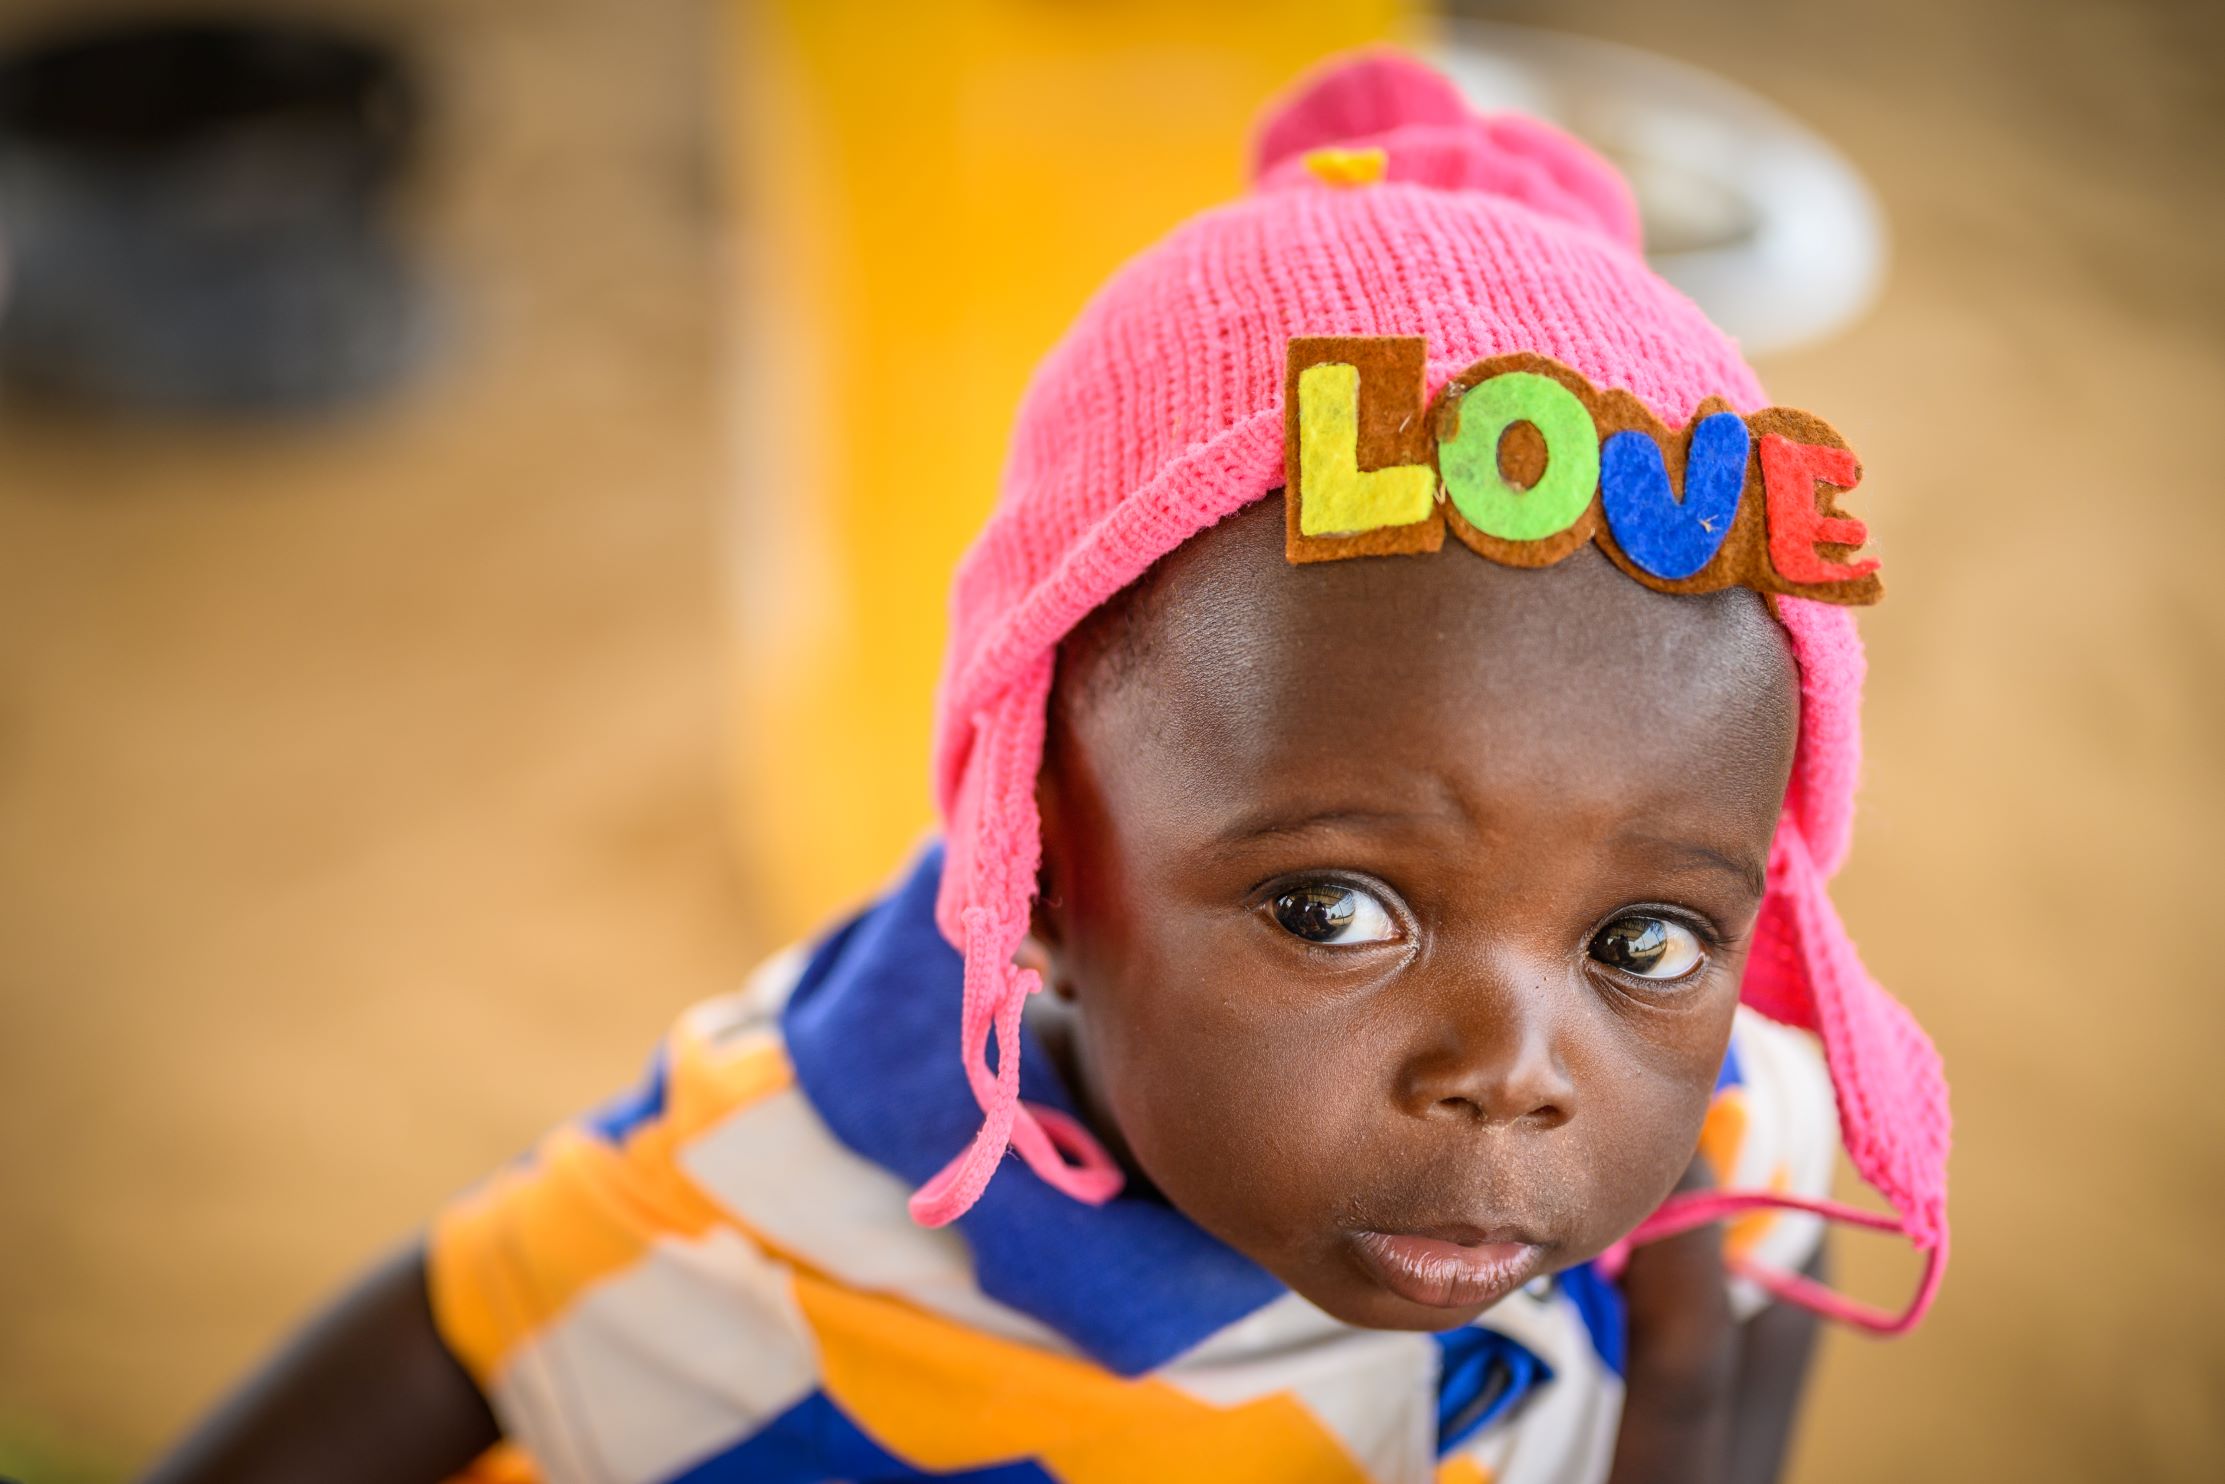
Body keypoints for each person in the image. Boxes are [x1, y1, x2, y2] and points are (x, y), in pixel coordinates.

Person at [144, 48, 1948, 1484]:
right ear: (1045, 876)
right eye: (1334, 907)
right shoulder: (805, 1202)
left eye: (1642, 941)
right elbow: (459, 1330)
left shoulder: (1735, 1138)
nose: (1516, 1076)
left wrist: (1692, 1411)